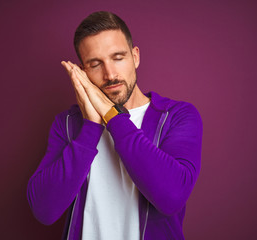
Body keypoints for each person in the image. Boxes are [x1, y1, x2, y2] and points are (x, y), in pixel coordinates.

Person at [27, 11, 202, 240]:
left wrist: (112, 115)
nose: (110, 74)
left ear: (135, 56)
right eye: (96, 64)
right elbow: (44, 209)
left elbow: (172, 197)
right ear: (83, 71)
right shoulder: (68, 124)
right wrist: (90, 126)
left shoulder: (177, 116)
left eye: (118, 58)